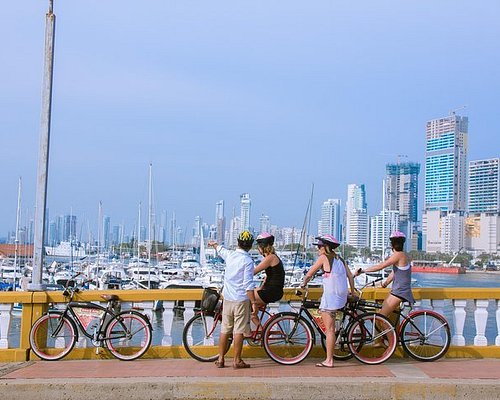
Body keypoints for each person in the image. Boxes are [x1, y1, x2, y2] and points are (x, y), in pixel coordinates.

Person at [301, 234, 355, 368]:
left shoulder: (323, 258)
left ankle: (329, 360)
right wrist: (352, 292)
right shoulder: (340, 259)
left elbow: (310, 273)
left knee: (329, 330)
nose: (318, 249)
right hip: (341, 295)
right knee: (330, 324)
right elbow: (350, 276)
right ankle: (333, 347)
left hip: (331, 296)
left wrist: (303, 284)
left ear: (326, 247)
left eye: (319, 246)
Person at [208, 230, 256, 369]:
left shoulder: (230, 255)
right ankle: (237, 360)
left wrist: (214, 244)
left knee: (225, 329)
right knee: (238, 331)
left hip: (228, 299)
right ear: (250, 245)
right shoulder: (248, 261)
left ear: (238, 243)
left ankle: (221, 359)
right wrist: (253, 303)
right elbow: (248, 284)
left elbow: (221, 250)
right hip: (241, 300)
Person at [354, 231, 415, 319]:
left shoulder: (398, 255)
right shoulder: (404, 255)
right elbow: (395, 272)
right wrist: (385, 284)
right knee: (380, 316)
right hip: (398, 291)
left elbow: (381, 266)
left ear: (392, 244)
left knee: (381, 318)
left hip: (400, 292)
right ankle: (390, 332)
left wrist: (363, 271)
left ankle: (392, 333)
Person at [251, 233, 285, 327]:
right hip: (271, 290)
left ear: (262, 246)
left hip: (272, 291)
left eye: (258, 246)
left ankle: (261, 331)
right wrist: (260, 288)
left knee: (245, 298)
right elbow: (269, 276)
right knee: (249, 303)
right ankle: (259, 330)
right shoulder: (273, 257)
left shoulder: (270, 258)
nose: (257, 249)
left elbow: (253, 272)